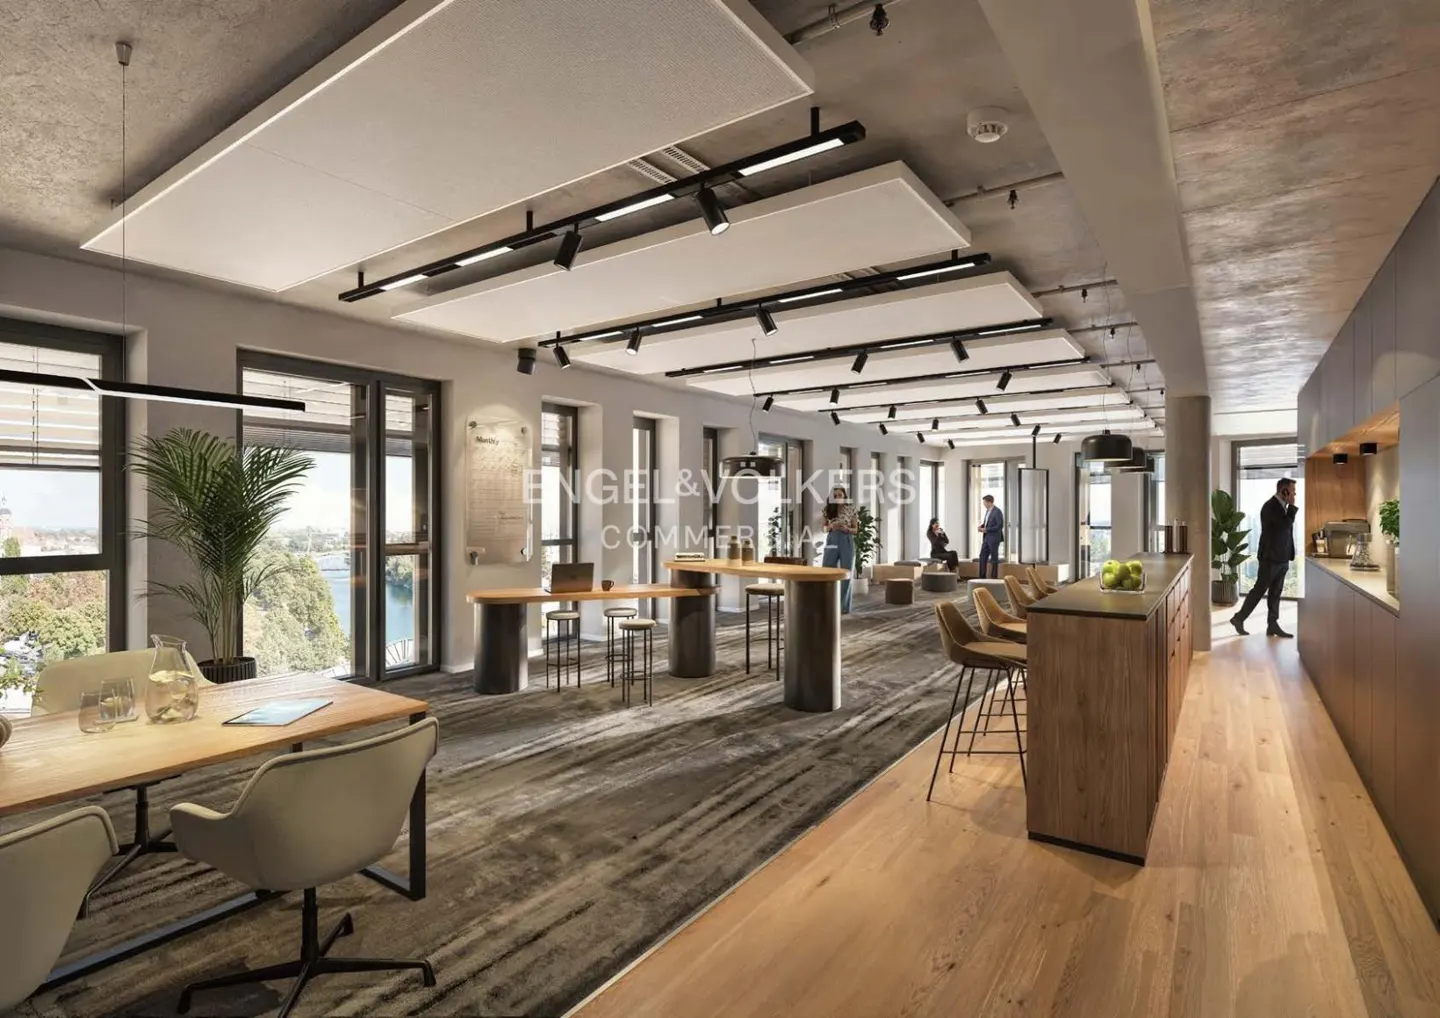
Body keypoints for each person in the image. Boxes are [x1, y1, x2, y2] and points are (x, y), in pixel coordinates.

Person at [1231, 477, 1298, 638]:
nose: (1294, 494)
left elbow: (1285, 532)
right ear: (1284, 491)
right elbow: (1284, 526)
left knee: (1276, 592)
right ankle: (1239, 618)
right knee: (1260, 590)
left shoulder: (1282, 507)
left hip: (1282, 557)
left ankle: (1272, 624)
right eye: (1292, 491)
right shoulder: (1270, 507)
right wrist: (1293, 506)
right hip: (1270, 558)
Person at [822, 485, 858, 614]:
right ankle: (827, 604)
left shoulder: (851, 509)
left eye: (840, 495)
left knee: (846, 572)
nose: (838, 498)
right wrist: (831, 526)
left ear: (844, 497)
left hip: (846, 539)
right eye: (835, 495)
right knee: (827, 570)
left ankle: (842, 606)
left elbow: (856, 530)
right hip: (832, 539)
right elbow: (824, 529)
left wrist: (846, 529)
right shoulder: (828, 510)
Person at [976, 495, 1003, 579]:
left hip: (994, 538)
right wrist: (981, 527)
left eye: (984, 502)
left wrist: (986, 529)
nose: (984, 504)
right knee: (982, 556)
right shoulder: (988, 511)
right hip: (986, 538)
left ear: (989, 502)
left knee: (994, 559)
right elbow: (987, 523)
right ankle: (982, 577)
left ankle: (993, 578)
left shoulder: (997, 511)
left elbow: (999, 526)